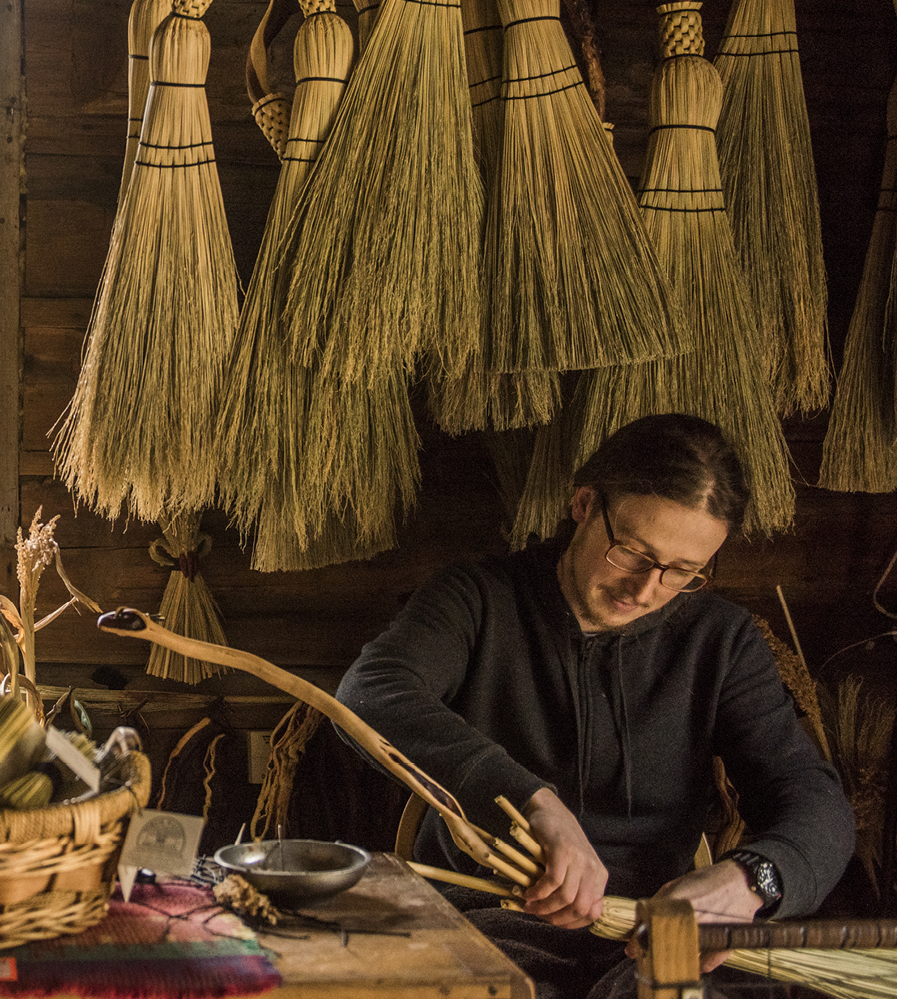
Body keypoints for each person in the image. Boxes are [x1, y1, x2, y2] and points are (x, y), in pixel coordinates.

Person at [336, 413, 854, 999]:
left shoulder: (722, 640)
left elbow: (815, 802)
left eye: (682, 573)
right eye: (632, 553)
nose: (645, 590)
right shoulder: (477, 599)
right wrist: (532, 802)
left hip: (654, 936)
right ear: (585, 504)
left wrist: (751, 879)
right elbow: (371, 690)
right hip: (489, 924)